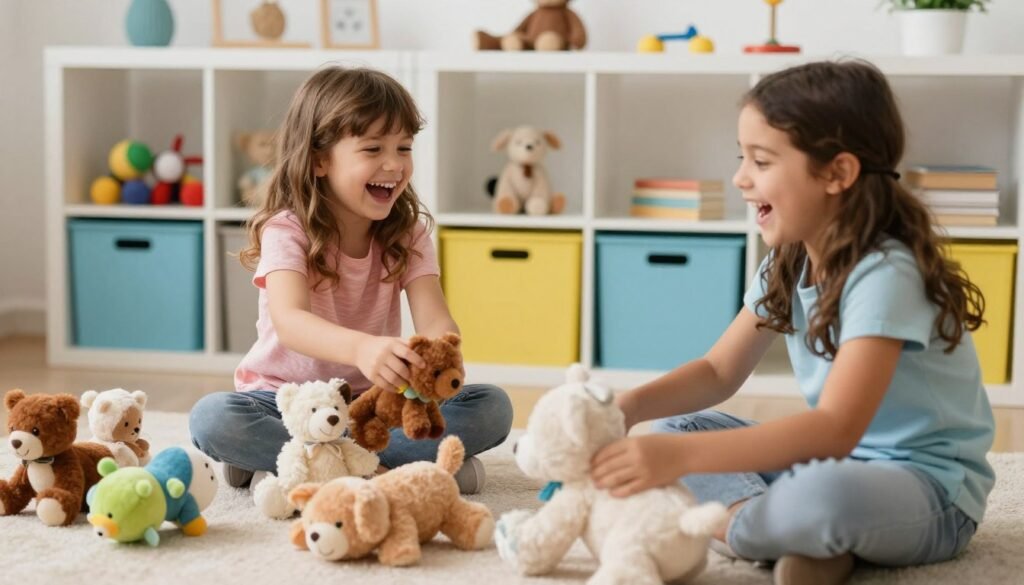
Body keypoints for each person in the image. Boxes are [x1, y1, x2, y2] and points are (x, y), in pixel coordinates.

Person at [590, 60, 994, 585]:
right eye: (743, 158)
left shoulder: (886, 273)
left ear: (837, 173)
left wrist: (676, 460)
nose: (740, 178)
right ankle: (804, 539)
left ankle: (743, 525)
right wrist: (629, 408)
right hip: (834, 468)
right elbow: (717, 371)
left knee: (816, 495)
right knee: (675, 428)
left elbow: (834, 430)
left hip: (929, 489)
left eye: (761, 161)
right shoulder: (789, 260)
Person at [190, 66, 513, 495]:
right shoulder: (287, 229)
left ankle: (306, 464)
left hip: (374, 405)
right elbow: (290, 320)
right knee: (213, 418)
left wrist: (441, 357)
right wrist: (362, 347)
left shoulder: (407, 233)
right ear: (320, 159)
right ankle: (392, 468)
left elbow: (436, 320)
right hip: (284, 400)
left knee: (492, 407)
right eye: (373, 148)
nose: (394, 165)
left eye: (404, 147)